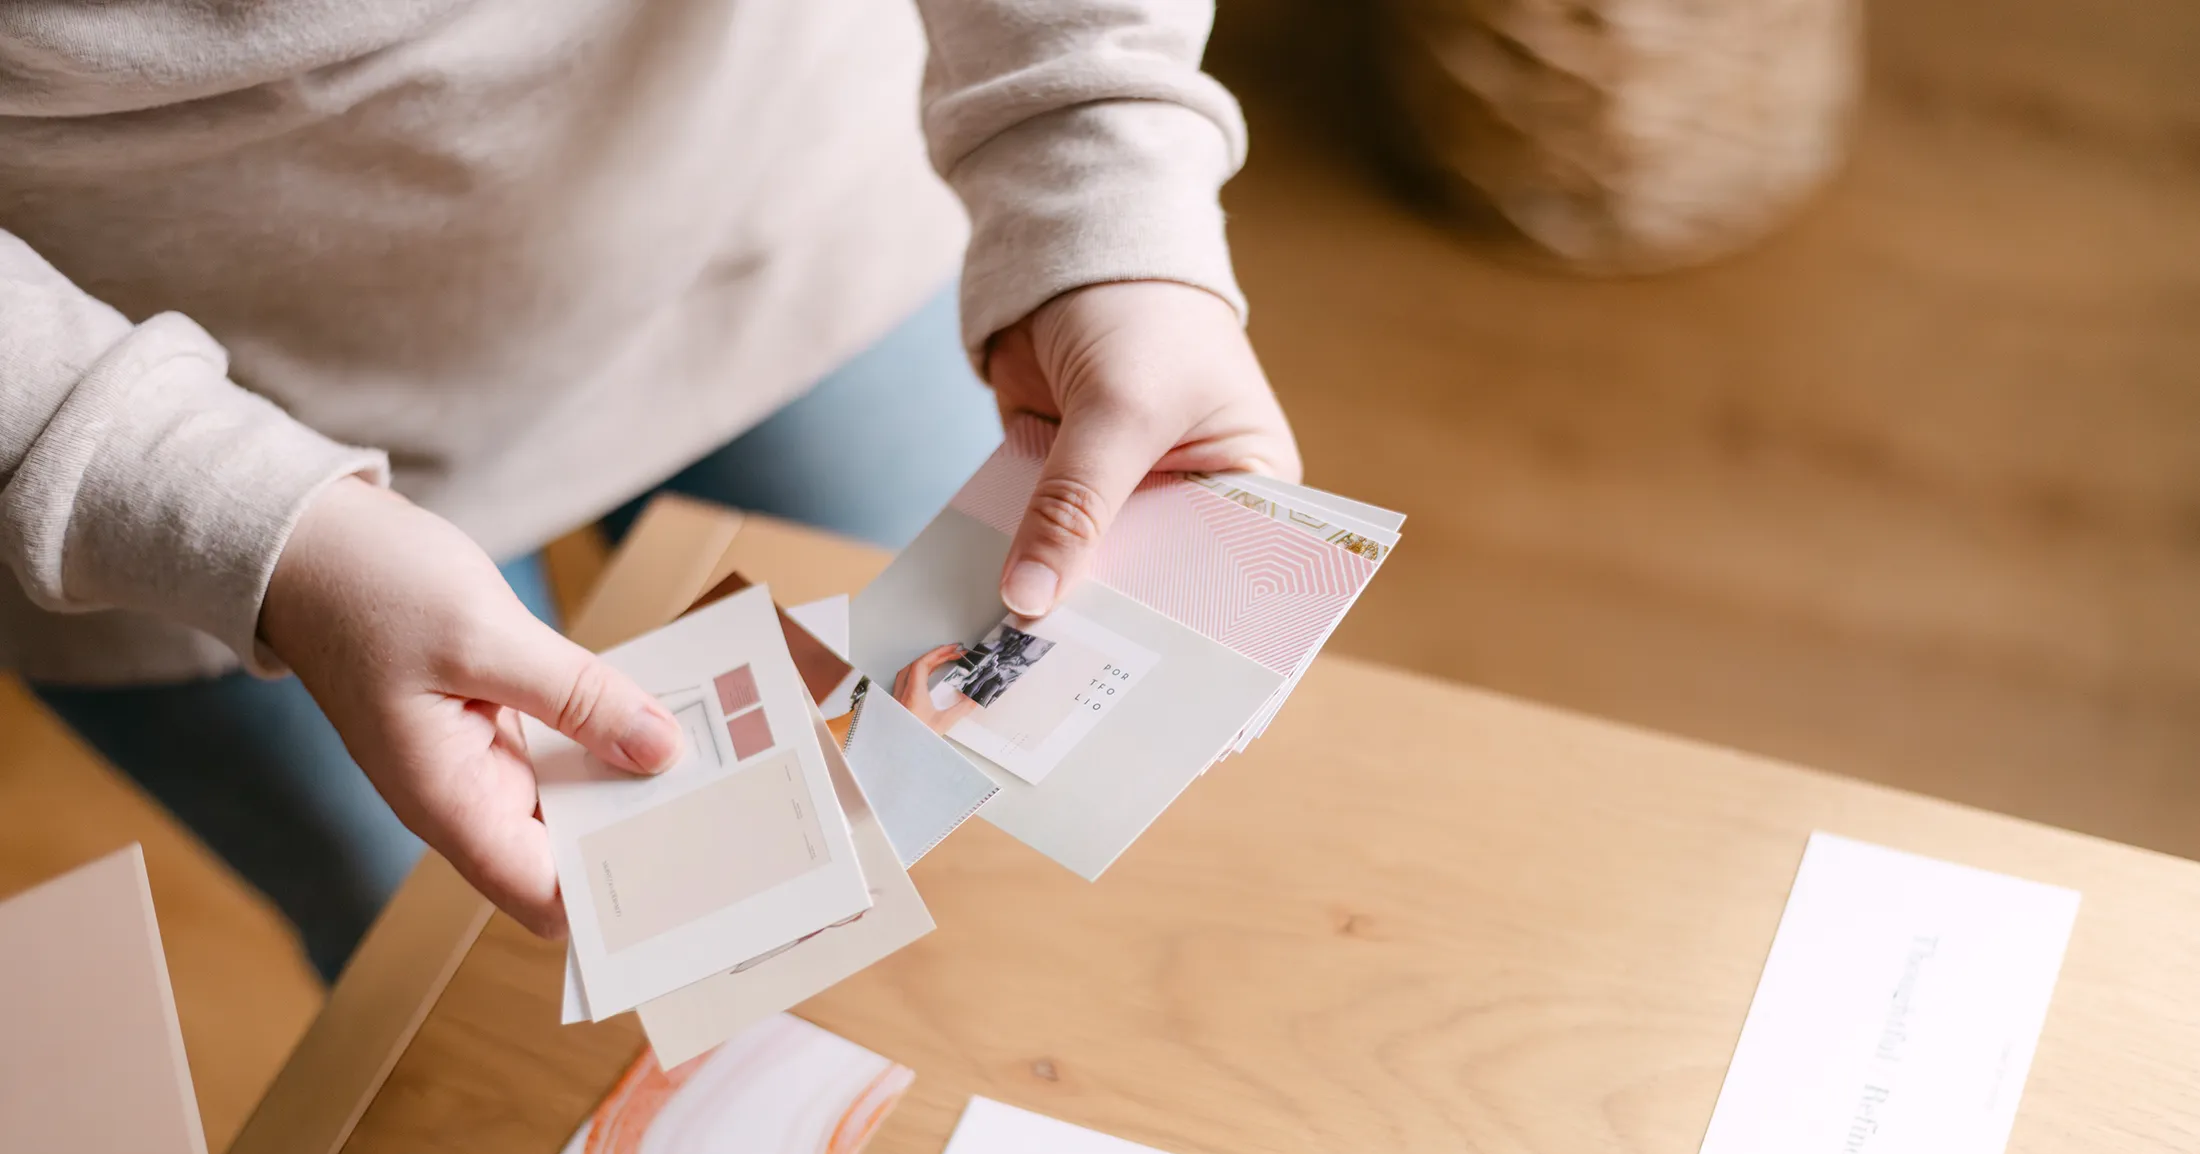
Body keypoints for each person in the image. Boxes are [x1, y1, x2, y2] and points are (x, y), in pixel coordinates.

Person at [0, 1, 1299, 981]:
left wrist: (1106, 183)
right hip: (159, 432)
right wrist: (251, 533)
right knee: (487, 976)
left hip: (779, 203)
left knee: (951, 817)